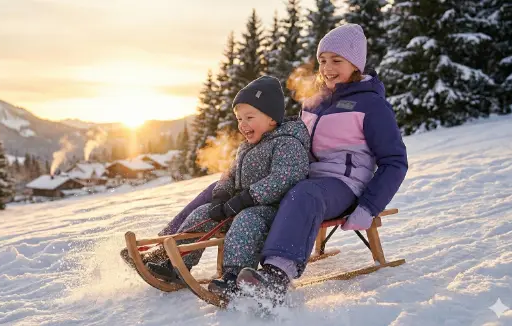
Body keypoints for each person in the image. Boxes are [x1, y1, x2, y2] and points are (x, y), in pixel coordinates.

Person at [233, 23, 409, 303]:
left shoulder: (372, 106)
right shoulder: (314, 102)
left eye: (337, 61)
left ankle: (276, 275)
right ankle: (232, 271)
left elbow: (395, 161)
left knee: (304, 194)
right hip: (308, 180)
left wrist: (369, 206)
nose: (327, 68)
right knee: (260, 191)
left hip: (345, 184)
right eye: (323, 60)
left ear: (356, 64)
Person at [141, 75, 312, 296]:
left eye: (249, 117)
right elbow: (229, 174)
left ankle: (234, 276)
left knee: (246, 221)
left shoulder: (288, 143)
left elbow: (285, 177)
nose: (243, 124)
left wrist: (248, 197)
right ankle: (178, 264)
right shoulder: (246, 146)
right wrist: (221, 195)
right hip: (241, 205)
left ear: (272, 118)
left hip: (271, 210)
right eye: (239, 119)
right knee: (202, 213)